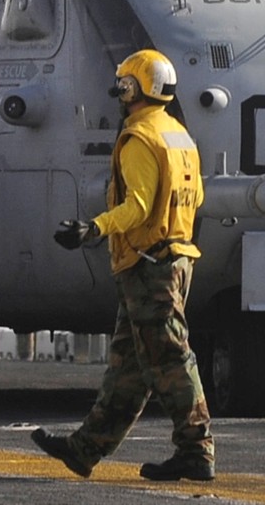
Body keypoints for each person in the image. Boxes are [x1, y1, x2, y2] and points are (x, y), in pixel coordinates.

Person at [33, 49, 214, 482]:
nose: (118, 90)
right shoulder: (178, 135)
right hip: (173, 259)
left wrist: (93, 228)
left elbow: (136, 206)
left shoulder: (139, 138)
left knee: (170, 358)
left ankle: (196, 450)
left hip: (151, 267)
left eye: (123, 83)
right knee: (129, 367)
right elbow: (198, 199)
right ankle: (85, 449)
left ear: (132, 88)